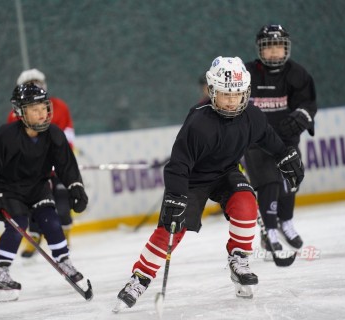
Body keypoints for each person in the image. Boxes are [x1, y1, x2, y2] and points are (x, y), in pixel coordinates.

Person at [114, 56, 304, 310]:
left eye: (237, 94)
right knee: (172, 228)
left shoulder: (253, 117)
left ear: (246, 92)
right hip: (192, 179)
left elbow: (268, 139)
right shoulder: (199, 123)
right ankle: (140, 278)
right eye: (225, 94)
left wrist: (284, 155)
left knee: (247, 204)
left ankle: (239, 259)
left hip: (225, 173)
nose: (231, 100)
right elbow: (178, 165)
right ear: (212, 92)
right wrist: (176, 196)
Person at [0, 83, 90, 302]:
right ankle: (0, 273)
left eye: (44, 107)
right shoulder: (6, 135)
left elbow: (66, 166)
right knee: (17, 225)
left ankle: (64, 261)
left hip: (38, 188)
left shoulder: (54, 134)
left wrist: (76, 186)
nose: (42, 113)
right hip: (10, 190)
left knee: (52, 222)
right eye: (34, 109)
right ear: (20, 112)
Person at [243, 24, 317, 251]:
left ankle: (286, 222)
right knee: (268, 182)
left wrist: (302, 117)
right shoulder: (246, 73)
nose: (274, 51)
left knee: (290, 180)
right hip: (257, 141)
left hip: (286, 139)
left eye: (279, 46)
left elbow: (308, 103)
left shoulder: (297, 74)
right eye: (269, 46)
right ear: (259, 49)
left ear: (287, 48)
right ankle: (270, 230)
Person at [7, 68, 76, 258]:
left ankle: (64, 234)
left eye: (37, 83)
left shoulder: (59, 106)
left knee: (62, 199)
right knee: (35, 204)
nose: (35, 87)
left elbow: (67, 135)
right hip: (33, 170)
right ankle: (35, 236)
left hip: (59, 164)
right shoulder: (16, 114)